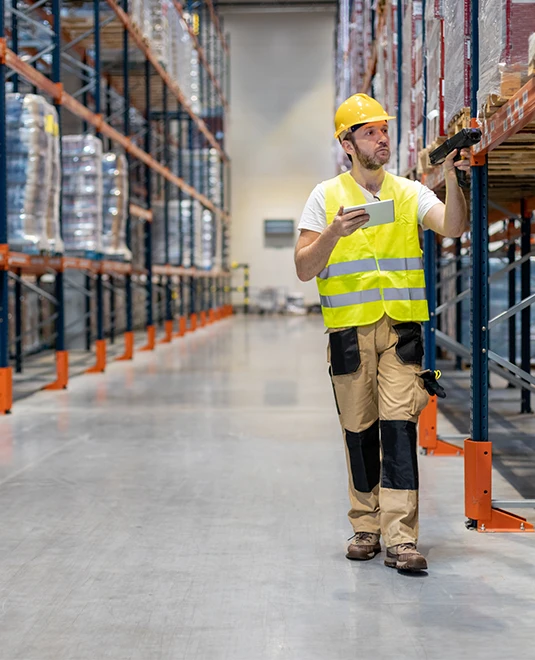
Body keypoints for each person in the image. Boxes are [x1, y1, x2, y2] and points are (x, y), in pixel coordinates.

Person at [294, 94, 471, 572]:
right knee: (358, 432)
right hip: (350, 337)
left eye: (383, 130)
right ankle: (365, 526)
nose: (381, 138)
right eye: (370, 132)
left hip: (400, 334)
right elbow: (304, 269)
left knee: (398, 430)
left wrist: (453, 179)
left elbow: (453, 227)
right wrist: (333, 233)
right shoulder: (324, 197)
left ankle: (400, 537)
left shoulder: (409, 192)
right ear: (347, 143)